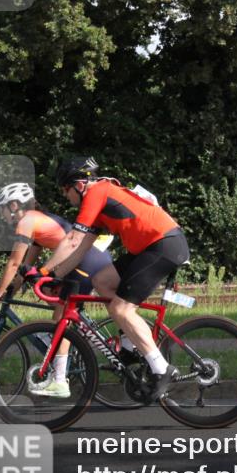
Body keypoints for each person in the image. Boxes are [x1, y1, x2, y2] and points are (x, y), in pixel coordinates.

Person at [30, 157, 189, 401]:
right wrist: (54, 275)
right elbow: (80, 248)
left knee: (121, 309)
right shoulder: (98, 203)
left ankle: (161, 368)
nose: (65, 196)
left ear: (79, 185)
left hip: (163, 245)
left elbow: (72, 240)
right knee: (102, 281)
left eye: (65, 189)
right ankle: (129, 344)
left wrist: (41, 271)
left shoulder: (98, 192)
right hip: (150, 247)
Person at [0, 182, 117, 398]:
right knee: (44, 286)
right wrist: (9, 292)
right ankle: (58, 343)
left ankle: (59, 380)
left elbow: (13, 263)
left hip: (84, 263)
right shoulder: (38, 222)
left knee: (61, 320)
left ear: (15, 205)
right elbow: (24, 269)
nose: (1, 215)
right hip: (83, 261)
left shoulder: (27, 221)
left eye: (2, 208)